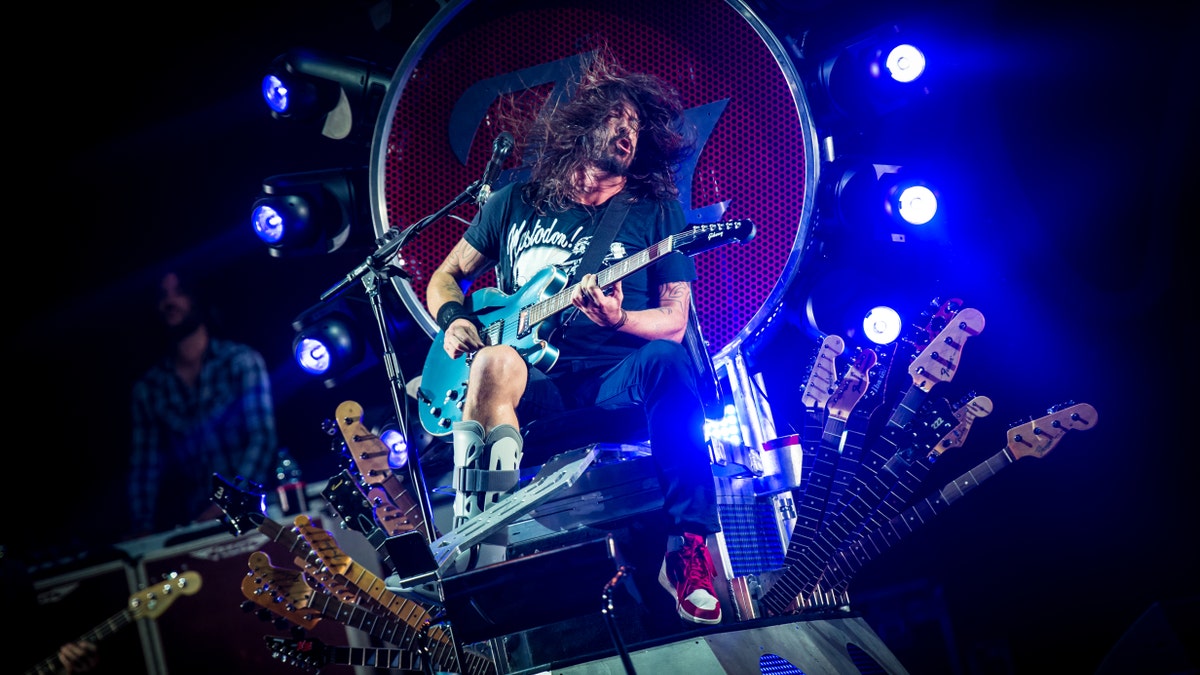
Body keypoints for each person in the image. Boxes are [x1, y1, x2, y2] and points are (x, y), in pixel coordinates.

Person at [425, 50, 722, 625]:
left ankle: (689, 547)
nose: (628, 132)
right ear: (583, 123)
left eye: (637, 126)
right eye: (618, 118)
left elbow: (674, 321)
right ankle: (477, 539)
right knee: (491, 360)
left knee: (666, 358)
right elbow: (445, 276)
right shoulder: (513, 202)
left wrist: (617, 321)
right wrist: (453, 318)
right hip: (532, 389)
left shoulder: (655, 212)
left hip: (614, 382)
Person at [126, 269, 278, 538]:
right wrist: (142, 531)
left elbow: (262, 438)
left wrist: (229, 501)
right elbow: (144, 468)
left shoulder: (240, 361)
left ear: (197, 298)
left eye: (179, 292)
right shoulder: (149, 388)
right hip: (196, 525)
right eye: (162, 295)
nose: (170, 302)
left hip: (258, 516)